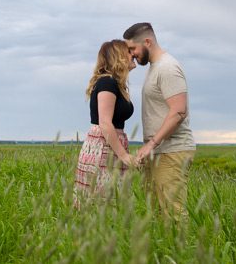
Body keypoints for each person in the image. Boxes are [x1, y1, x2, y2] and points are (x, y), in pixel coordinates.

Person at [123, 22, 196, 218]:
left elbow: (179, 111)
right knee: (156, 214)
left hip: (171, 151)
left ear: (147, 41)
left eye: (132, 48)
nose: (131, 54)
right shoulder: (155, 68)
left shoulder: (168, 67)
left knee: (172, 214)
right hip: (158, 152)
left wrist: (152, 144)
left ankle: (182, 249)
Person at [74, 39, 137, 205]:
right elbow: (105, 123)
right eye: (129, 51)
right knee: (102, 204)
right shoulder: (107, 82)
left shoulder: (116, 84)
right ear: (119, 56)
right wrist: (123, 155)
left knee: (111, 203)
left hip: (110, 146)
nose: (133, 54)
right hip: (102, 148)